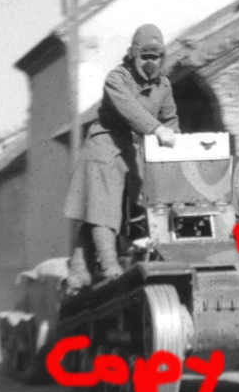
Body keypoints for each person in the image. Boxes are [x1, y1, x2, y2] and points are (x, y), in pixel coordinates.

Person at [63, 23, 179, 290]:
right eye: (145, 57)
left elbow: (171, 120)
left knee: (134, 208)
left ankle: (79, 270)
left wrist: (175, 145)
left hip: (132, 149)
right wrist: (157, 130)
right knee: (103, 210)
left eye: (156, 57)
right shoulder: (117, 79)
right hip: (104, 146)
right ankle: (109, 268)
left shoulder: (164, 86)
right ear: (133, 55)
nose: (151, 63)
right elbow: (130, 111)